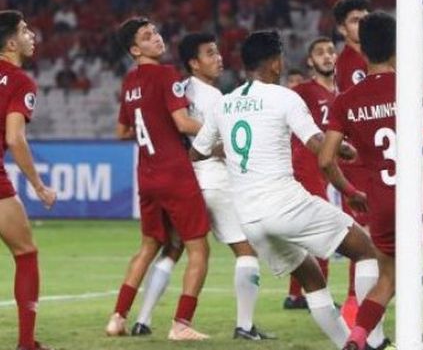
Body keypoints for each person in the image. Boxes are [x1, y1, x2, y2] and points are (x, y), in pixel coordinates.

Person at [190, 30, 391, 350]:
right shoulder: (285, 96)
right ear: (274, 62)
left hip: (251, 220)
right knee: (365, 250)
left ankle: (349, 346)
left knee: (312, 280)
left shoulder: (224, 104)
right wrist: (347, 179)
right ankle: (373, 339)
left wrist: (229, 150)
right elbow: (317, 146)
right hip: (285, 204)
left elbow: (196, 153)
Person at [319, 12, 423, 350]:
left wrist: (349, 191)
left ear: (362, 51)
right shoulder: (414, 87)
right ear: (398, 47)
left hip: (383, 204)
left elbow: (325, 159)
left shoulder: (346, 101)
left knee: (387, 280)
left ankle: (356, 338)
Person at [129, 32, 273, 340]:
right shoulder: (216, 99)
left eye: (218, 52)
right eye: (210, 53)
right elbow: (220, 143)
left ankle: (142, 319)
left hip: (187, 179)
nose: (218, 58)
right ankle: (244, 327)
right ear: (194, 63)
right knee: (245, 250)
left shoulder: (182, 88)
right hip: (215, 180)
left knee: (173, 248)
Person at [106, 18, 210, 341]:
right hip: (175, 173)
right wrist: (218, 133)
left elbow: (122, 131)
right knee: (199, 250)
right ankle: (181, 324)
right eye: (147, 36)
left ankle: (117, 318)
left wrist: (150, 126)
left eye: (156, 32)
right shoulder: (167, 75)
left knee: (149, 245)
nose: (157, 38)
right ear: (136, 49)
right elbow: (183, 123)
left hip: (147, 176)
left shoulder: (129, 82)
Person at [0, 10, 57, 350]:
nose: (31, 34)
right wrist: (38, 186)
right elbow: (15, 139)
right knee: (26, 253)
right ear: (10, 43)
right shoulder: (20, 81)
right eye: (24, 31)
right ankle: (25, 344)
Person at [284, 37, 337, 310]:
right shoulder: (303, 90)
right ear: (310, 61)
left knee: (310, 234)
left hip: (325, 171)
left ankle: (297, 295)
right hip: (305, 167)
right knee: (323, 231)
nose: (327, 56)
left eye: (330, 51)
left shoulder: (338, 95)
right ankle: (315, 294)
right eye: (320, 53)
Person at [332, 0, 372, 324]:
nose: (363, 23)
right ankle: (353, 303)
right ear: (342, 29)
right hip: (359, 163)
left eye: (365, 17)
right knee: (364, 235)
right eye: (355, 20)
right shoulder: (349, 65)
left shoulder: (375, 57)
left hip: (377, 159)